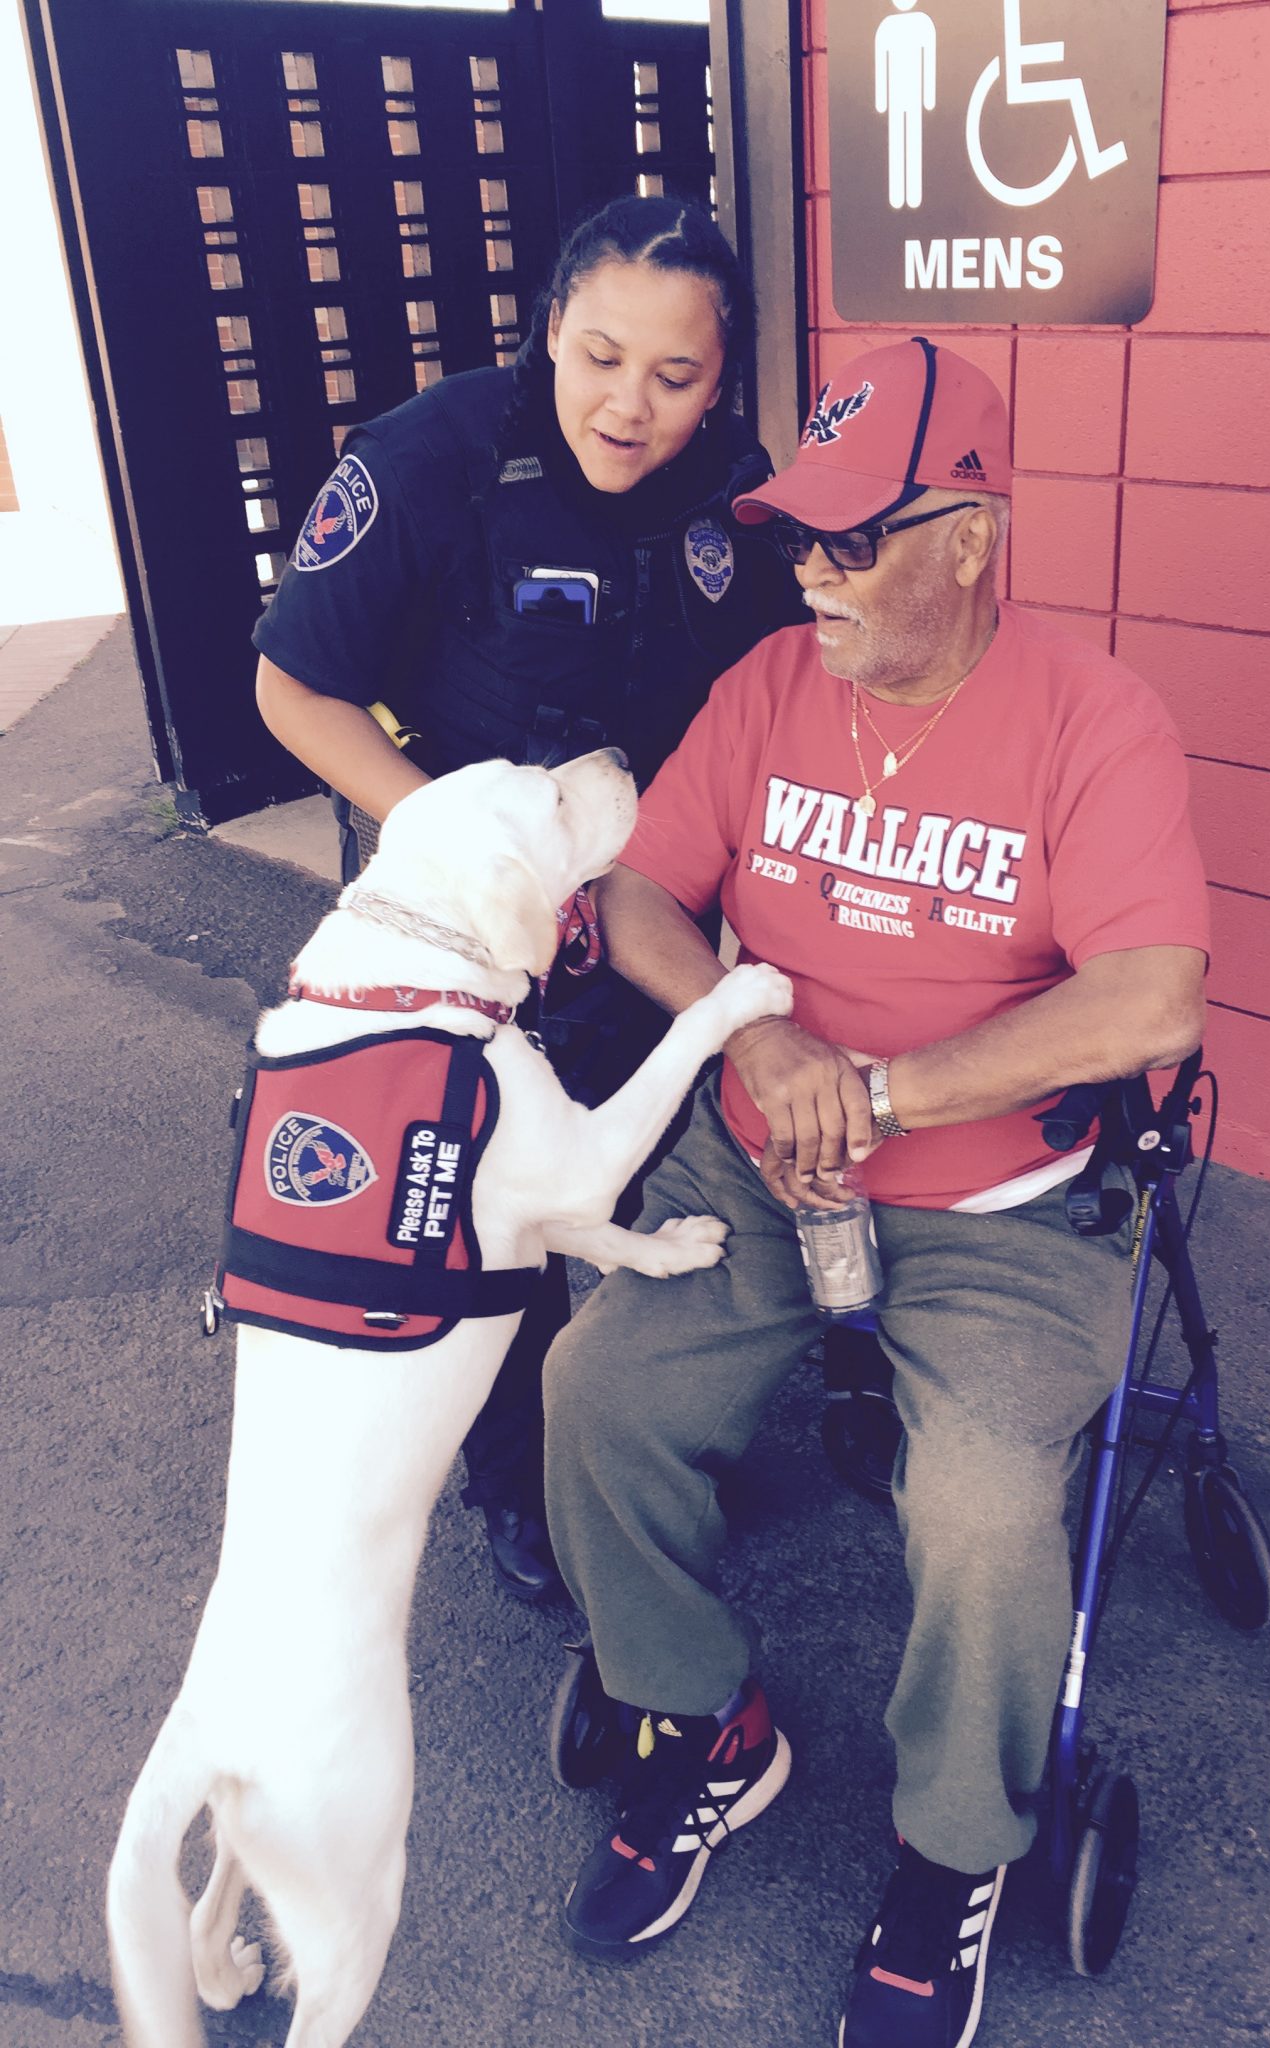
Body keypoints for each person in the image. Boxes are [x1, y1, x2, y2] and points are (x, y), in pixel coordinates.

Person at [539, 337, 1210, 2047]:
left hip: (996, 1209)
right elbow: (639, 897)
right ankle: (704, 1727)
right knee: (593, 1391)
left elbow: (1149, 1000)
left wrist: (891, 1092)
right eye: (799, 540)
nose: (813, 575)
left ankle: (953, 1851)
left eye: (854, 541)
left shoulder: (1092, 717)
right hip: (761, 1173)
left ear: (969, 538)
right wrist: (751, 1043)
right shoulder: (768, 687)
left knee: (982, 1511)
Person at [251, 195, 800, 1600]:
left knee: (646, 1144)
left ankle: (644, 1426)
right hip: (460, 893)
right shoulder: (430, 460)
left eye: (675, 378)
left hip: (636, 886)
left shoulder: (734, 491)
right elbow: (291, 684)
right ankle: (516, 1475)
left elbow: (779, 690)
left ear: (719, 382)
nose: (630, 405)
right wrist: (448, 830)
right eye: (601, 355)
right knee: (473, 1189)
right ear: (550, 326)